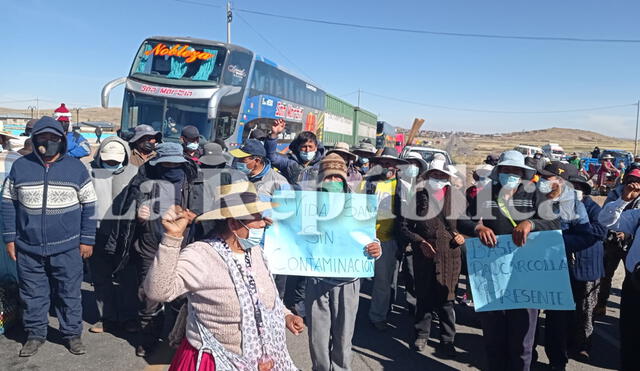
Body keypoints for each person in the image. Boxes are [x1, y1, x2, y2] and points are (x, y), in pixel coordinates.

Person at [144, 184, 304, 371]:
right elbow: (158, 291)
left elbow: (263, 297)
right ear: (234, 223)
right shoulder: (201, 255)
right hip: (216, 361)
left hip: (262, 361)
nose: (264, 222)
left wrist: (285, 315)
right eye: (257, 217)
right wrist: (172, 238)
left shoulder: (255, 252)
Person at [1, 116, 97, 356]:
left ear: (61, 140)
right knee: (32, 294)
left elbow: (90, 205)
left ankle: (72, 334)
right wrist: (10, 238)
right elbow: (8, 204)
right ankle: (35, 334)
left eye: (53, 138)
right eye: (42, 137)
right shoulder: (21, 166)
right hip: (28, 247)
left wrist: (87, 239)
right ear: (34, 139)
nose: (47, 142)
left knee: (69, 293)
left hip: (67, 247)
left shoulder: (76, 168)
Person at [458, 150, 560, 371]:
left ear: (523, 173)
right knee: (493, 339)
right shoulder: (487, 193)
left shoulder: (534, 194)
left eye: (516, 170)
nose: (511, 174)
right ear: (499, 171)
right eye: (506, 170)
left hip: (526, 277)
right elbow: (462, 219)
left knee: (522, 342)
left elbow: (555, 223)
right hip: (493, 275)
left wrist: (531, 224)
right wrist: (478, 227)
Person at [109, 142, 199, 357]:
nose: (171, 168)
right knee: (149, 297)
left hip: (183, 249)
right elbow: (124, 212)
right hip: (150, 248)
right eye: (165, 164)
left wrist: (194, 217)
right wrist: (138, 214)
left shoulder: (194, 183)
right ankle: (147, 339)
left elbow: (205, 213)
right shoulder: (143, 181)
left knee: (181, 297)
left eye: (175, 164)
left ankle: (176, 338)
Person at [306, 154, 382, 371]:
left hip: (348, 283)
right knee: (317, 339)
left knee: (343, 338)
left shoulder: (359, 206)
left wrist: (376, 248)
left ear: (344, 179)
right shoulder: (306, 204)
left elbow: (369, 238)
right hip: (317, 281)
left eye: (336, 178)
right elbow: (294, 237)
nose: (332, 182)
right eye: (327, 178)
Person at [536, 162, 598, 371]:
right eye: (540, 176)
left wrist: (556, 243)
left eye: (547, 177)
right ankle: (529, 359)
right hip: (530, 269)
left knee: (558, 322)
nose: (541, 181)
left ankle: (557, 362)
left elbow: (586, 236)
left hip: (559, 268)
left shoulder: (573, 204)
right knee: (530, 319)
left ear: (560, 181)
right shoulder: (528, 199)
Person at [401, 158, 464, 355]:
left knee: (447, 301)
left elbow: (468, 224)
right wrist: (419, 241)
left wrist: (465, 236)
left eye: (442, 175)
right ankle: (421, 334)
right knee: (424, 297)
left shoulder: (458, 197)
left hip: (450, 256)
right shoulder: (417, 196)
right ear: (427, 176)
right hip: (425, 255)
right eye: (435, 174)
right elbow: (404, 227)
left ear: (448, 177)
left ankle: (447, 339)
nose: (438, 177)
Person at [87, 136, 139, 334]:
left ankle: (129, 317)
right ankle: (106, 317)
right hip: (96, 233)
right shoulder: (88, 171)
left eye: (115, 162)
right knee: (101, 278)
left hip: (124, 236)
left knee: (127, 278)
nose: (111, 164)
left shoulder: (135, 173)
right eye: (107, 161)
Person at [362, 147, 409, 331]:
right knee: (356, 281)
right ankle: (348, 315)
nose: (387, 166)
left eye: (390, 163)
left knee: (383, 282)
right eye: (383, 163)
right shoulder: (367, 183)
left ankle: (378, 316)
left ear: (397, 166)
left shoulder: (403, 187)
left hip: (389, 241)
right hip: (364, 240)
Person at [597, 180, 640, 371]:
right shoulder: (638, 215)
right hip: (635, 285)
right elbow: (607, 221)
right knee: (630, 339)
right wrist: (623, 200)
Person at [567, 175, 606, 361]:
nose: (574, 190)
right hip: (567, 265)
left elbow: (602, 230)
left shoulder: (593, 208)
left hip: (588, 266)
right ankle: (567, 342)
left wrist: (578, 228)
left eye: (577, 187)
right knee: (568, 308)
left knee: (586, 310)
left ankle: (583, 345)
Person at [595, 168, 640, 315]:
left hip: (629, 244)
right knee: (606, 274)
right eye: (632, 179)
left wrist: (627, 235)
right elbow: (605, 220)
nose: (634, 183)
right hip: (613, 243)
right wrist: (623, 199)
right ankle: (601, 303)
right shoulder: (616, 193)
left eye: (638, 181)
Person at [265, 118, 325, 187]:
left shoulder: (322, 165)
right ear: (298, 148)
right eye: (304, 147)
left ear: (316, 148)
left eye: (310, 146)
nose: (307, 150)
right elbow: (271, 157)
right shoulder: (289, 162)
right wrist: (274, 134)